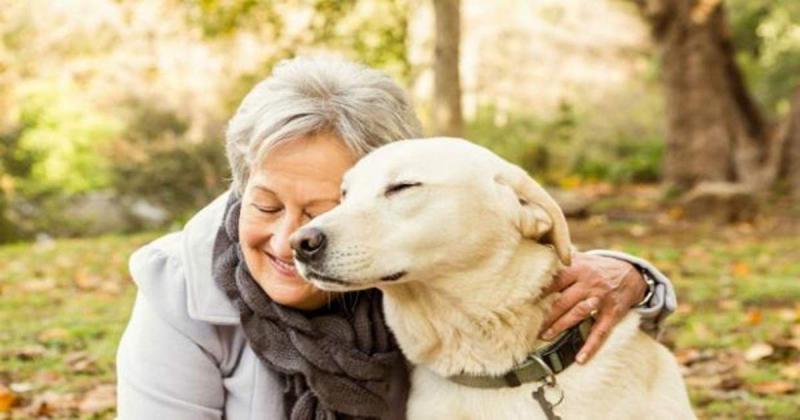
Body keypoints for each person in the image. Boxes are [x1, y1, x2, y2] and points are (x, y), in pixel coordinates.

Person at [115, 56, 676, 420]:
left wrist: (633, 276)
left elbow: (502, 258)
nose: (295, 239)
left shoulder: (402, 270)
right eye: (264, 204)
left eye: (326, 207)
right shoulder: (179, 285)